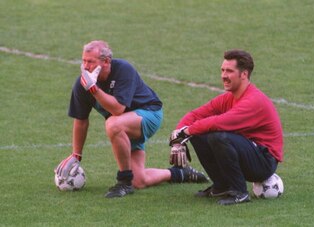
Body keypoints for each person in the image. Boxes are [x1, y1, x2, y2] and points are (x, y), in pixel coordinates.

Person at [55, 40, 208, 198]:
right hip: (125, 125)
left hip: (149, 114)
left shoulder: (123, 70)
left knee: (113, 124)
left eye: (91, 62)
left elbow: (117, 109)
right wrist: (76, 155)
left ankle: (124, 182)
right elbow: (81, 120)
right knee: (139, 180)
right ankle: (180, 173)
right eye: (84, 61)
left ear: (106, 61)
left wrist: (94, 90)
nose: (85, 67)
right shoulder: (82, 84)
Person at [169, 49, 283, 205]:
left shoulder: (253, 101)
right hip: (249, 151)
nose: (223, 75)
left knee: (218, 136)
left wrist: (186, 131)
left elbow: (219, 123)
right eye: (222, 70)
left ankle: (240, 192)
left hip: (264, 162)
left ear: (244, 74)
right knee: (201, 134)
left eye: (229, 71)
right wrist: (178, 137)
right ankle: (222, 186)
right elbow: (195, 115)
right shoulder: (228, 98)